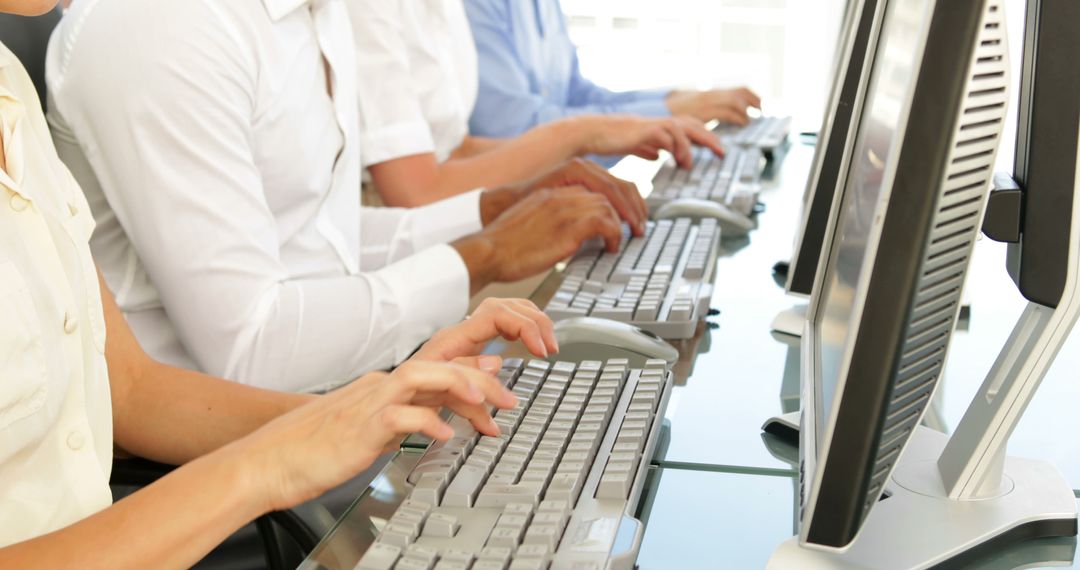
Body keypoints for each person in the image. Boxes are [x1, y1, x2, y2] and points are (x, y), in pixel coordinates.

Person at [0, 2, 556, 563]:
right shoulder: (154, 26)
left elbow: (130, 386)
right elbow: (247, 348)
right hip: (186, 503)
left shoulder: (8, 84)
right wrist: (272, 462)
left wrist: (368, 409)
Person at [46, 0, 650, 393]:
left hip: (331, 395)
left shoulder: (316, 13)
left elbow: (315, 237)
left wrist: (491, 210)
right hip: (228, 453)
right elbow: (251, 353)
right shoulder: (161, 25)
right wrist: (482, 255)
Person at [346, 0, 726, 207]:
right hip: (397, 230)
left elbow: (455, 147)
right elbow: (416, 192)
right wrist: (582, 134)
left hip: (445, 214)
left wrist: (666, 104)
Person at [463, 0, 763, 139]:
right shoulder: (473, 6)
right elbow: (514, 132)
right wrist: (663, 114)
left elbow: (575, 95)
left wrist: (674, 103)